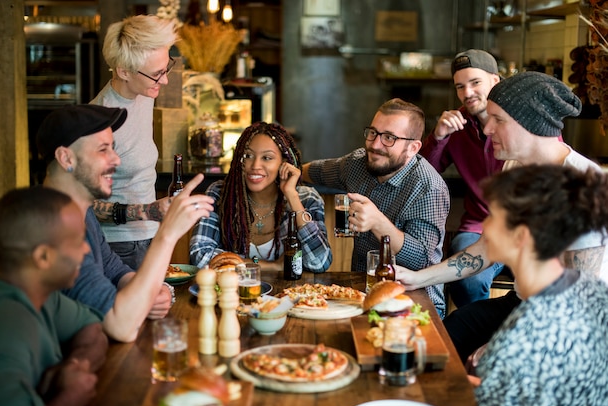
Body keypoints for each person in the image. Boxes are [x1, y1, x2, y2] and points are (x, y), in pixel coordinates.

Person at [395, 71, 607, 362]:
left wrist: (505, 346)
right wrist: (418, 279)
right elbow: (485, 249)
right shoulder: (514, 167)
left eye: (499, 120)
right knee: (449, 335)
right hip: (522, 301)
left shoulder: (582, 183)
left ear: (530, 123)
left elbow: (577, 300)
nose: (488, 129)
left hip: (566, 325)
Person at [36, 104, 214, 343]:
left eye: (114, 148)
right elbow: (122, 326)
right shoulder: (52, 226)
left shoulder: (80, 209)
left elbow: (112, 268)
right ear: (66, 157)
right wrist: (168, 233)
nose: (116, 160)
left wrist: (147, 294)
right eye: (103, 150)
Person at [472, 164, 608, 406]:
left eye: (491, 216)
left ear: (521, 236)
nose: (484, 226)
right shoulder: (592, 288)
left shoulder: (521, 340)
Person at [302, 98, 450, 316]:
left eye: (389, 138)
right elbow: (317, 171)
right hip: (362, 292)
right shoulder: (357, 164)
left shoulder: (429, 187)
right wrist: (287, 167)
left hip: (414, 300)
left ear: (413, 147)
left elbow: (421, 260)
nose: (375, 144)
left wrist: (378, 222)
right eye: (373, 133)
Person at [0, 187, 108, 406]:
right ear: (43, 257)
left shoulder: (39, 292)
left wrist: (76, 365)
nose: (87, 248)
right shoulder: (1, 331)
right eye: (79, 240)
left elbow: (93, 328)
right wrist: (72, 396)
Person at [90, 15, 179, 269]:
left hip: (151, 235)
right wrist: (147, 211)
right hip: (119, 247)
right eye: (156, 74)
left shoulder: (144, 92)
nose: (165, 80)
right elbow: (82, 205)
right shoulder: (99, 122)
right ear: (124, 71)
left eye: (166, 67)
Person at [420, 49, 504, 308]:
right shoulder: (456, 125)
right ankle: (475, 340)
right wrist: (440, 136)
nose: (467, 93)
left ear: (495, 81)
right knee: (468, 281)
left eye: (475, 83)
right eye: (460, 86)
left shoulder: (519, 122)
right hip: (478, 228)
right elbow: (422, 174)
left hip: (527, 228)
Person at [189, 122, 332, 272]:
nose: (255, 165)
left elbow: (320, 263)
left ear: (283, 163)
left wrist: (292, 196)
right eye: (248, 156)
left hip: (289, 294)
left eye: (267, 158)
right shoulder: (220, 193)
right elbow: (200, 256)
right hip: (234, 293)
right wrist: (273, 266)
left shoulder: (306, 199)